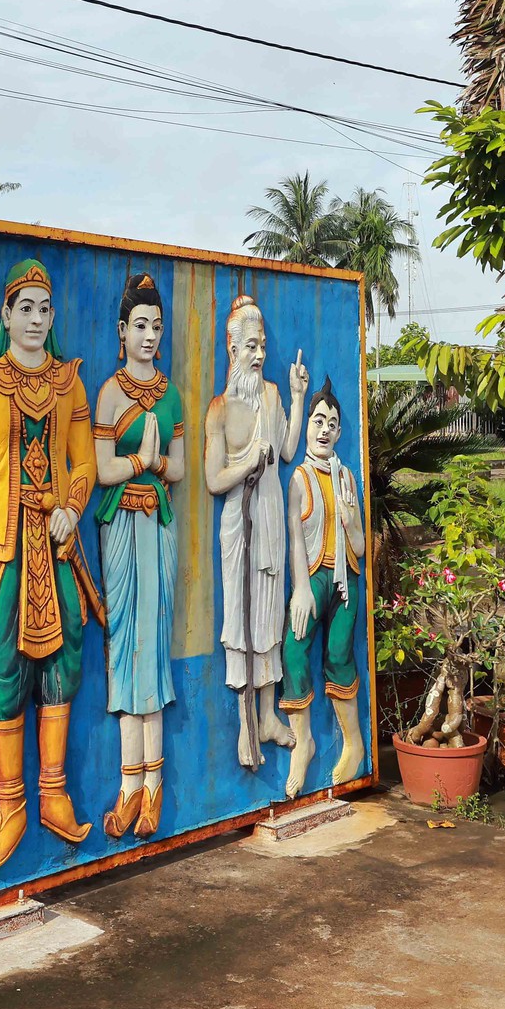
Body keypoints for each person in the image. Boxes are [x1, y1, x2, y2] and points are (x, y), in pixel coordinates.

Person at [0, 258, 104, 870]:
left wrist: (71, 505)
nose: (35, 319)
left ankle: (54, 793)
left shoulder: (71, 383)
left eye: (44, 309)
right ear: (6, 315)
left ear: (51, 317)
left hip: (56, 546)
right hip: (3, 548)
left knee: (65, 659)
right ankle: (11, 806)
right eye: (24, 308)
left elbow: (83, 464)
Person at [92, 272, 185, 839]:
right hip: (121, 527)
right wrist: (140, 462)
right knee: (125, 648)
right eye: (140, 326)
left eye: (157, 326)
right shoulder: (109, 392)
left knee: (153, 650)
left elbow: (178, 468)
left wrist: (156, 463)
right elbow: (103, 470)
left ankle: (153, 787)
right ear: (122, 331)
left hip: (159, 526)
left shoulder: (170, 394)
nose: (149, 336)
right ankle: (128, 785)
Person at [204, 293, 303, 769]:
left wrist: (299, 396)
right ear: (233, 350)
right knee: (240, 624)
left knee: (268, 619)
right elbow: (212, 478)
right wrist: (246, 462)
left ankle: (267, 715)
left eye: (262, 345)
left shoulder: (271, 396)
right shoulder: (220, 409)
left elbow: (286, 452)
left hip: (268, 517)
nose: (259, 354)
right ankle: (246, 725)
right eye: (250, 346)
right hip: (237, 523)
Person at [281, 381, 366, 798]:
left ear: (339, 432)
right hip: (314, 576)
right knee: (295, 648)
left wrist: (351, 517)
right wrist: (300, 589)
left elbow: (362, 545)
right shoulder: (299, 478)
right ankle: (304, 744)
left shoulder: (347, 476)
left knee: (338, 655)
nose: (324, 430)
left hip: (345, 577)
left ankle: (353, 742)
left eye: (332, 424)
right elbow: (295, 539)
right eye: (319, 421)